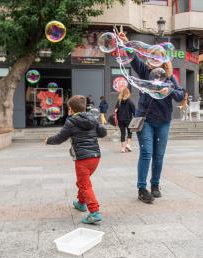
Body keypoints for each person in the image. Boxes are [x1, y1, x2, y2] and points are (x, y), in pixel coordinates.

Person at [119, 32, 185, 203]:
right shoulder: (145, 72)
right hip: (145, 119)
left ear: (165, 59)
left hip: (163, 121)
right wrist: (127, 43)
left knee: (159, 155)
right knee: (147, 152)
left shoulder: (170, 78)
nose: (156, 58)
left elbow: (180, 95)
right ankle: (142, 188)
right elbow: (133, 59)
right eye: (153, 56)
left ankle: (155, 185)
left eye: (159, 56)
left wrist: (169, 90)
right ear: (150, 58)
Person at [45, 95, 107, 224]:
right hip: (95, 157)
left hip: (82, 159)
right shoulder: (92, 118)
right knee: (82, 181)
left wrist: (48, 140)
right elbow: (103, 133)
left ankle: (94, 212)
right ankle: (80, 202)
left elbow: (59, 138)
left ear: (70, 109)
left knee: (84, 184)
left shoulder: (71, 121)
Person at [115, 88, 135, 153]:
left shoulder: (119, 101)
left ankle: (123, 148)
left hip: (120, 120)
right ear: (128, 94)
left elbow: (116, 111)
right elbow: (134, 111)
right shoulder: (130, 101)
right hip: (128, 120)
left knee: (123, 133)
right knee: (129, 132)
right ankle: (128, 145)